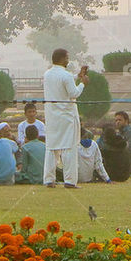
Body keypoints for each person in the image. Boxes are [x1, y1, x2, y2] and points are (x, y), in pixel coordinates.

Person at [42, 48, 88, 188]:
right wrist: (82, 83)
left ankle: (49, 180)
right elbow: (74, 93)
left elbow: (61, 80)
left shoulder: (47, 74)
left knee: (52, 147)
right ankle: (70, 181)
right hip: (67, 117)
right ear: (62, 59)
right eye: (67, 58)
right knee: (69, 148)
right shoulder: (66, 75)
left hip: (52, 117)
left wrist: (77, 76)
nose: (68, 60)